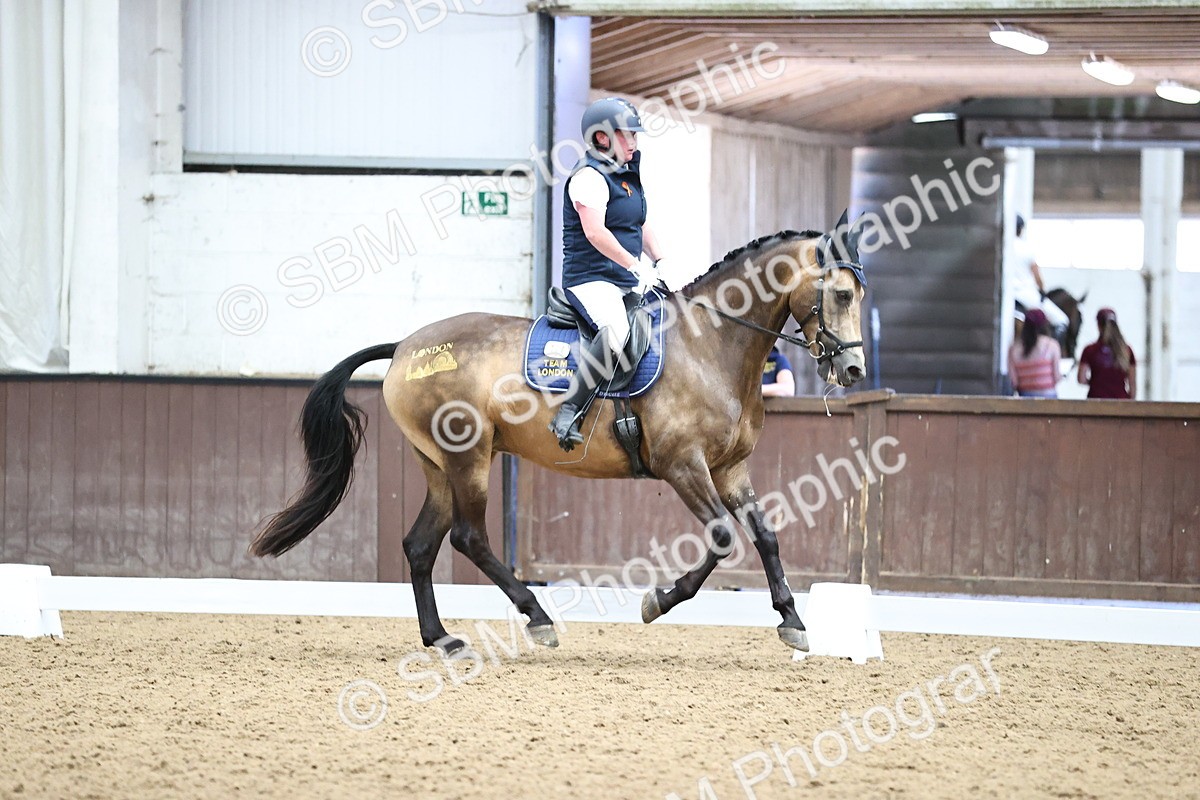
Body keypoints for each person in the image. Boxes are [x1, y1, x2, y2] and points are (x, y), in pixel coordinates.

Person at [549, 97, 674, 451]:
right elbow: (595, 232)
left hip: (623, 278)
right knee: (617, 332)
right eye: (627, 135)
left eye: (635, 136)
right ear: (602, 138)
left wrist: (661, 262)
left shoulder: (626, 175)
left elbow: (640, 222)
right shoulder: (588, 177)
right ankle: (568, 412)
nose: (634, 142)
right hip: (590, 280)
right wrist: (634, 265)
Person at [1011, 215, 1068, 333]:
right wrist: (1042, 290)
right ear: (1020, 229)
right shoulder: (1026, 248)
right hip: (1025, 294)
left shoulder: (1004, 247)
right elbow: (1037, 277)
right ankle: (1053, 350)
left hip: (1007, 294)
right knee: (1061, 320)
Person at [1078, 307, 1136, 399]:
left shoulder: (1089, 350)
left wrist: (1095, 382)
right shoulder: (1126, 350)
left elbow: (1081, 378)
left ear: (1098, 325)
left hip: (1095, 401)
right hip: (1120, 402)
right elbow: (1132, 385)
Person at [1007, 308, 1061, 398]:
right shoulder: (1052, 345)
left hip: (1025, 399)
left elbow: (1014, 381)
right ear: (1044, 325)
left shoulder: (1013, 349)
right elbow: (1057, 377)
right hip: (1049, 399)